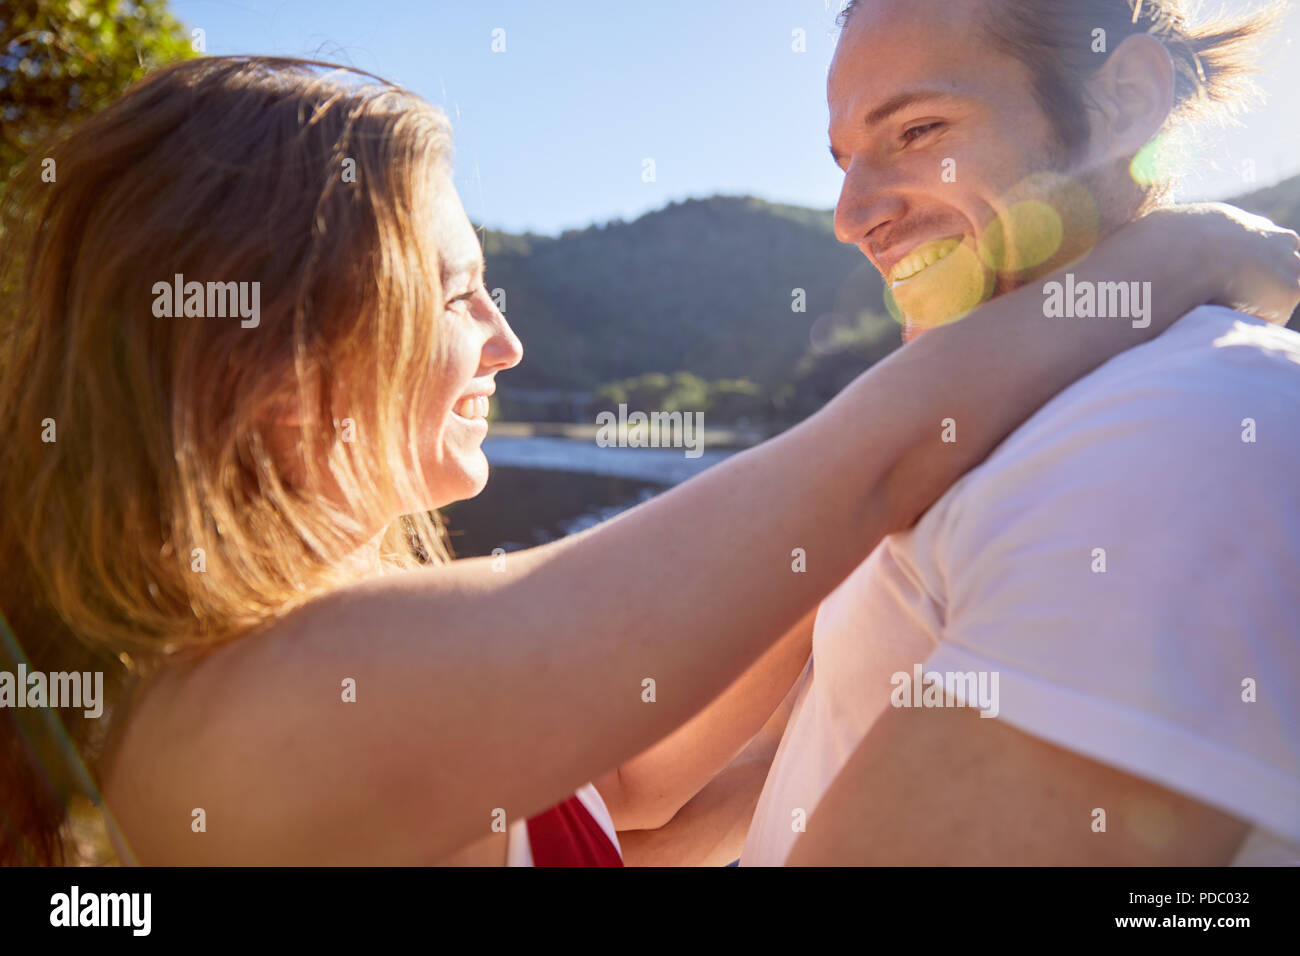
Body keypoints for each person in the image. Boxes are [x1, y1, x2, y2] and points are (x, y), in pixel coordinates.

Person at [0, 54, 1293, 867]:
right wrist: (1183, 257)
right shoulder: (264, 715)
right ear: (269, 362)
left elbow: (643, 802)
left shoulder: (314, 678)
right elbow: (864, 466)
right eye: (455, 299)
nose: (505, 340)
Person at [686, 0, 1300, 866]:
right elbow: (668, 796)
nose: (850, 216)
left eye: (917, 129)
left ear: (1125, 101)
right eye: (843, 160)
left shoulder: (1185, 428)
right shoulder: (989, 434)